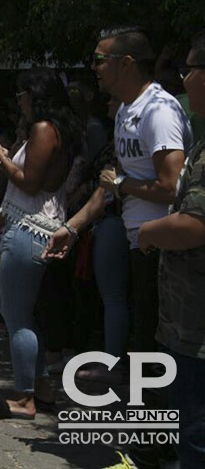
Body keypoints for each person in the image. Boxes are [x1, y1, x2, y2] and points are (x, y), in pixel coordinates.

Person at [46, 27, 192, 364]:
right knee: (142, 331)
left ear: (125, 63)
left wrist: (121, 185)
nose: (94, 68)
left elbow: (171, 186)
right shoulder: (127, 110)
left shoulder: (158, 111)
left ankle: (156, 410)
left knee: (156, 339)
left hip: (162, 246)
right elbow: (109, 183)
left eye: (100, 60)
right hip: (138, 240)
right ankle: (142, 403)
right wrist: (72, 228)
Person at [0, 68, 81, 420]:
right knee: (26, 313)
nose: (19, 101)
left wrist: (0, 157)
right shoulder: (58, 130)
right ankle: (42, 385)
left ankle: (24, 398)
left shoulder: (42, 129)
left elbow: (30, 182)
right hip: (40, 227)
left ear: (35, 96)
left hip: (28, 229)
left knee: (16, 316)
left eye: (22, 94)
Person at [137, 31, 205, 468]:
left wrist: (149, 231)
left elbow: (195, 225)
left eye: (189, 70)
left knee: (195, 440)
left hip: (197, 332)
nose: (183, 81)